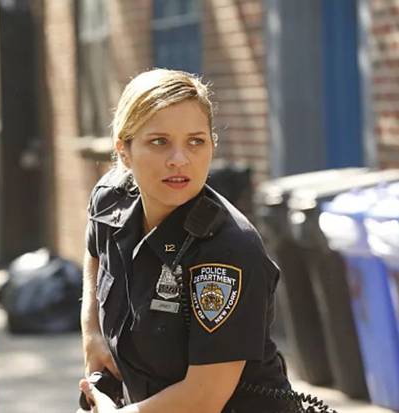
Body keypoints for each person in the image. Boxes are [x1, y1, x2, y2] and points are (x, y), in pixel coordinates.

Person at [78, 69, 296, 413]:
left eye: (196, 141)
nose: (179, 159)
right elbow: (94, 253)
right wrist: (92, 333)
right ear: (124, 151)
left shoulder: (228, 249)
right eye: (159, 141)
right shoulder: (110, 200)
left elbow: (204, 397)